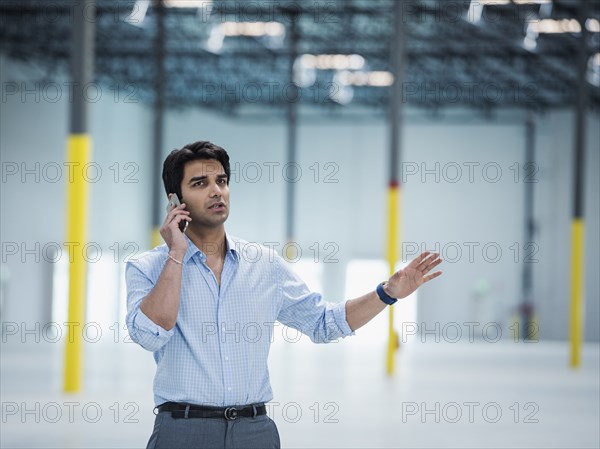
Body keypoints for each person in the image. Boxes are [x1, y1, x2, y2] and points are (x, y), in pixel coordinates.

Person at [125, 141, 443, 449]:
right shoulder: (147, 267)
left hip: (254, 432)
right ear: (175, 200)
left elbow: (323, 322)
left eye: (221, 180)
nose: (216, 191)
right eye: (199, 183)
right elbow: (150, 336)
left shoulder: (264, 265)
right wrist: (176, 254)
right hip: (182, 431)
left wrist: (387, 293)